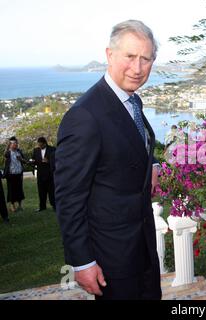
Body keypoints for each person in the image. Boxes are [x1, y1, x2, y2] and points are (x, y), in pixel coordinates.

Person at [55, 20, 162, 300]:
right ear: (109, 55)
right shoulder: (85, 116)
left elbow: (131, 143)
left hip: (142, 246)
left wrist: (152, 164)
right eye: (129, 56)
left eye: (145, 59)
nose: (137, 68)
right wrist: (82, 262)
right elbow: (69, 196)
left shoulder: (131, 101)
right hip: (111, 258)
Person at [30, 137, 56, 212]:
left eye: (41, 145)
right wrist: (32, 161)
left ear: (45, 143)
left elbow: (57, 160)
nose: (40, 146)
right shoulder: (36, 150)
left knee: (51, 191)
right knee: (41, 191)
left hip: (50, 174)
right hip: (40, 174)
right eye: (39, 145)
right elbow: (34, 160)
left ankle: (54, 206)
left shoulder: (52, 149)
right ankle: (42, 206)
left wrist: (49, 161)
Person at [4, 137, 26, 213]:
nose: (16, 145)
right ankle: (12, 206)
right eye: (14, 144)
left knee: (19, 190)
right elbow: (5, 157)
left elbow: (24, 161)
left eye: (17, 143)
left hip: (19, 174)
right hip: (11, 174)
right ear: (10, 145)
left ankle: (20, 206)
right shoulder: (8, 153)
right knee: (11, 190)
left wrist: (21, 159)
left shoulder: (19, 151)